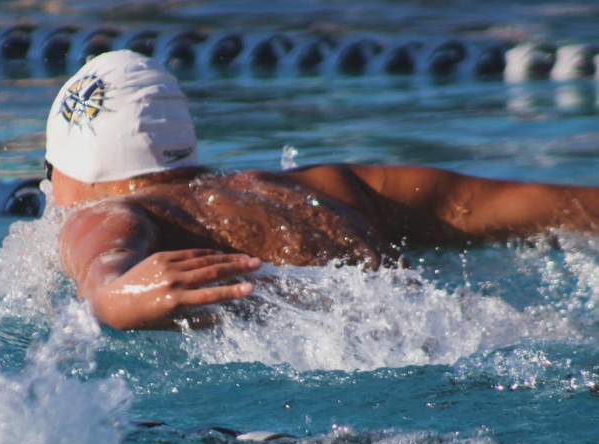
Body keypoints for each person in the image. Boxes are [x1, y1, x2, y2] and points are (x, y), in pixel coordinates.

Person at [46, 50, 599, 330]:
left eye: (49, 171)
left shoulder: (105, 212)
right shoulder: (331, 186)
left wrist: (112, 299)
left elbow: (105, 271)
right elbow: (543, 206)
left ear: (72, 167)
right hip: (476, 331)